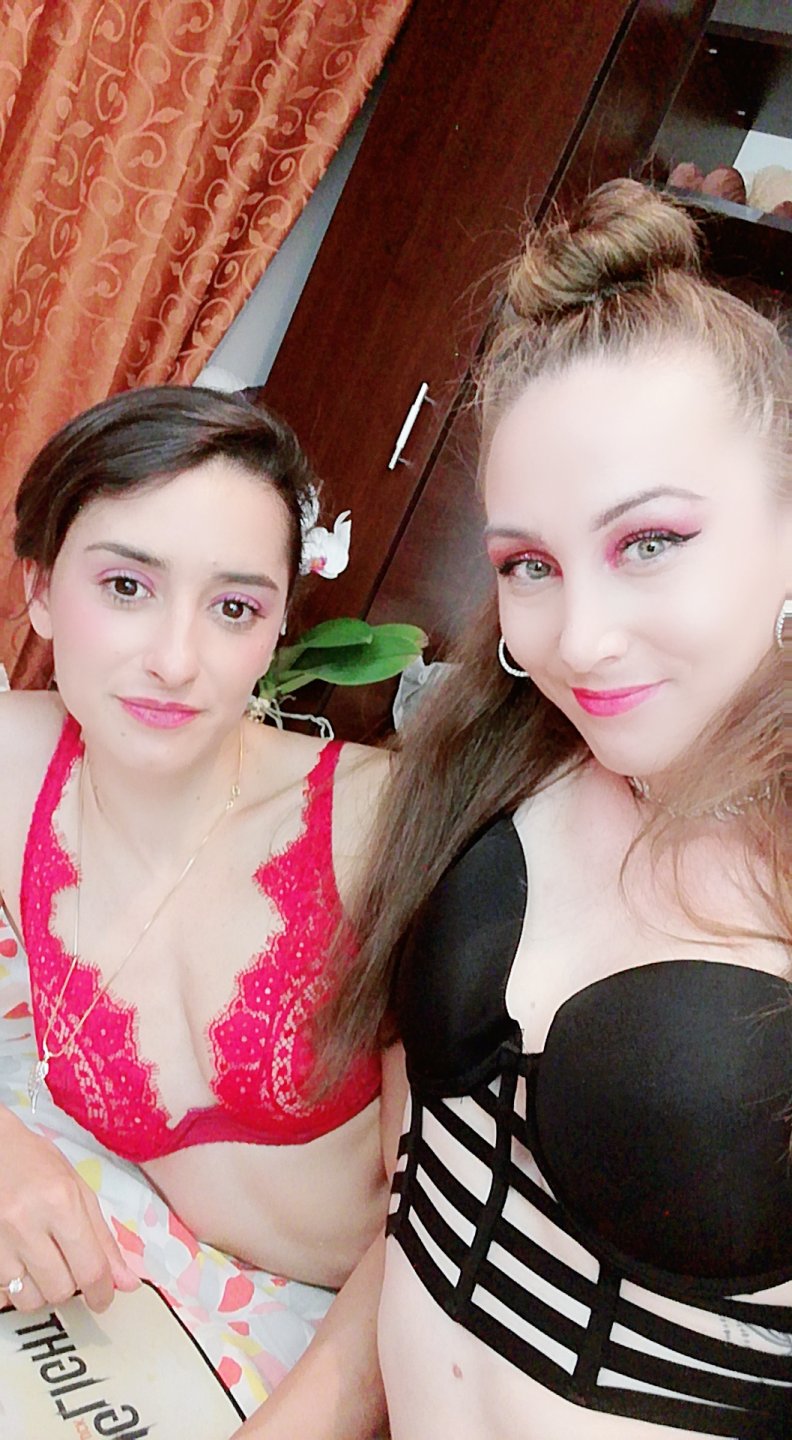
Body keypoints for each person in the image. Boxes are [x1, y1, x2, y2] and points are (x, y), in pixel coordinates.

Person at [315, 178, 792, 1439]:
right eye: (529, 564)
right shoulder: (503, 770)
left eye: (650, 542)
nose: (577, 639)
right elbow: (428, 1187)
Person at [0, 384, 390, 1438]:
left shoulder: (374, 827)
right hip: (138, 1316)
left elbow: (444, 1225)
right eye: (127, 586)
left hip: (361, 1353)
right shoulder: (15, 763)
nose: (176, 660)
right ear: (40, 590)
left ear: (276, 626)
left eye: (233, 608)